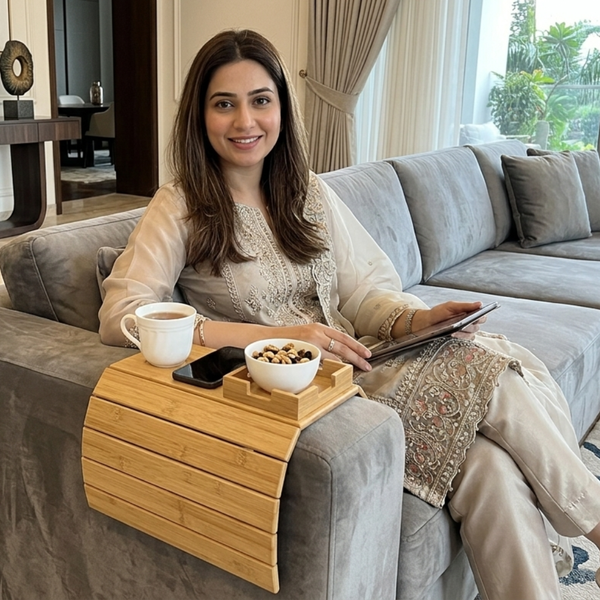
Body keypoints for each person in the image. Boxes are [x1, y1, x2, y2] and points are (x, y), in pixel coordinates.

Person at [98, 28, 600, 599]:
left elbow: (363, 294)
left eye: (260, 100)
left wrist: (417, 321)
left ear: (282, 108)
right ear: (199, 114)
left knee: (489, 464)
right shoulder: (180, 204)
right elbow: (123, 314)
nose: (245, 121)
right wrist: (272, 336)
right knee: (493, 382)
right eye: (224, 104)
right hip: (291, 395)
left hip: (361, 366)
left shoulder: (307, 192)